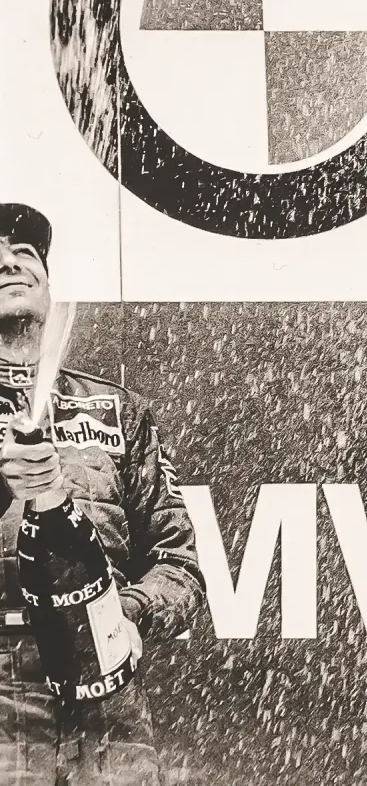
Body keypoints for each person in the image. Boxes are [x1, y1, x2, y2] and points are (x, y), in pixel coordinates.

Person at [0, 202, 205, 785]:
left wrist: (125, 616)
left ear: (47, 280)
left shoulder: (119, 409)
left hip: (110, 693)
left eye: (25, 253)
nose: (10, 263)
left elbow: (180, 563)